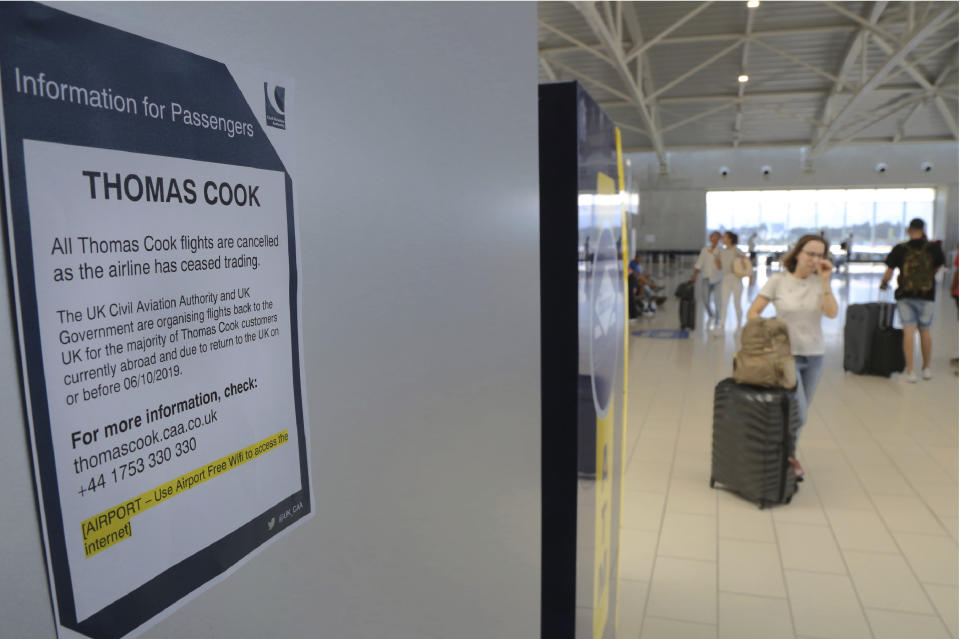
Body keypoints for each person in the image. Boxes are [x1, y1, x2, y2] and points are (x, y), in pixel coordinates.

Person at [747, 234, 837, 480]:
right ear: (798, 253)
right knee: (799, 413)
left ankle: (786, 456)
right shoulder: (778, 281)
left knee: (797, 412)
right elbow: (753, 312)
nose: (814, 259)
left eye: (820, 255)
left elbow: (831, 313)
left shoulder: (821, 284)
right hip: (786, 357)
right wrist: (771, 331)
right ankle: (786, 456)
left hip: (815, 356)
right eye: (810, 253)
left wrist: (826, 281)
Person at [880, 218, 946, 382]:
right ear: (923, 230)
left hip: (905, 294)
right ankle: (927, 368)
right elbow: (938, 266)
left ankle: (910, 371)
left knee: (908, 330)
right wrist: (928, 277)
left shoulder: (900, 249)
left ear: (909, 230)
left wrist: (884, 283)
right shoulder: (934, 248)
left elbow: (889, 272)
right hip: (927, 295)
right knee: (925, 330)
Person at [713, 231, 745, 336]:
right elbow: (720, 268)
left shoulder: (737, 251)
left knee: (737, 304)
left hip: (736, 280)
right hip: (726, 279)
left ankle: (739, 326)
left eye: (725, 237)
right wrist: (716, 259)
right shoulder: (721, 251)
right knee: (724, 304)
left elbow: (745, 265)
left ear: (730, 239)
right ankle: (721, 327)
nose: (723, 238)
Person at [690, 231, 722, 328]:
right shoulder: (705, 250)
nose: (715, 239)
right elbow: (699, 263)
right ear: (710, 238)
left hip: (718, 279)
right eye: (713, 237)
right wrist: (694, 275)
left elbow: (722, 266)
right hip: (706, 278)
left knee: (717, 301)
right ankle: (711, 314)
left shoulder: (721, 250)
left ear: (719, 239)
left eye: (717, 238)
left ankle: (717, 320)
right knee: (705, 300)